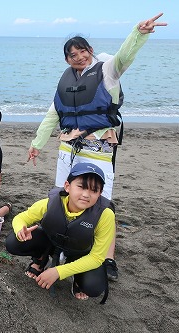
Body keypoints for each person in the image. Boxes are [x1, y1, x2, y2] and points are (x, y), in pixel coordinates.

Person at [26, 13, 167, 282]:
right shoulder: (66, 81)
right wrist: (36, 144)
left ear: (90, 51)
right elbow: (52, 115)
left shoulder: (107, 71)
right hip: (67, 152)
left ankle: (107, 257)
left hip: (98, 150)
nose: (78, 57)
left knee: (101, 206)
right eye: (71, 55)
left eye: (82, 51)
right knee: (61, 200)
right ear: (66, 60)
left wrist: (138, 33)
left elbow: (125, 56)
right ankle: (52, 251)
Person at [5, 163, 116, 302]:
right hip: (51, 244)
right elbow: (21, 217)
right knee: (13, 242)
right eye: (81, 187)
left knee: (93, 287)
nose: (86, 194)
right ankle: (40, 259)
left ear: (100, 194)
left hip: (81, 252)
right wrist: (20, 229)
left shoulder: (105, 215)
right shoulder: (51, 202)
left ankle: (77, 278)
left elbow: (97, 258)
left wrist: (59, 272)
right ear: (67, 186)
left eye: (94, 190)